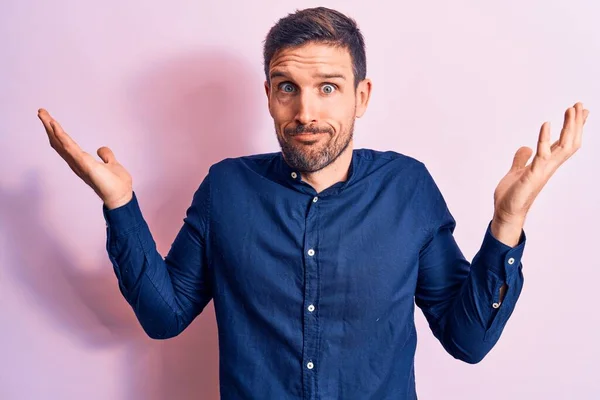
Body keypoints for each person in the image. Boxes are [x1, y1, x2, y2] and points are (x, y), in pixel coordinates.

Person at [38, 6, 589, 400]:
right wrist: (120, 204)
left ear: (361, 96)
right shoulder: (225, 189)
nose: (306, 111)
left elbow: (467, 340)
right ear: (269, 95)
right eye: (287, 87)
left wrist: (508, 222)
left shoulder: (408, 188)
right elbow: (164, 317)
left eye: (328, 87)